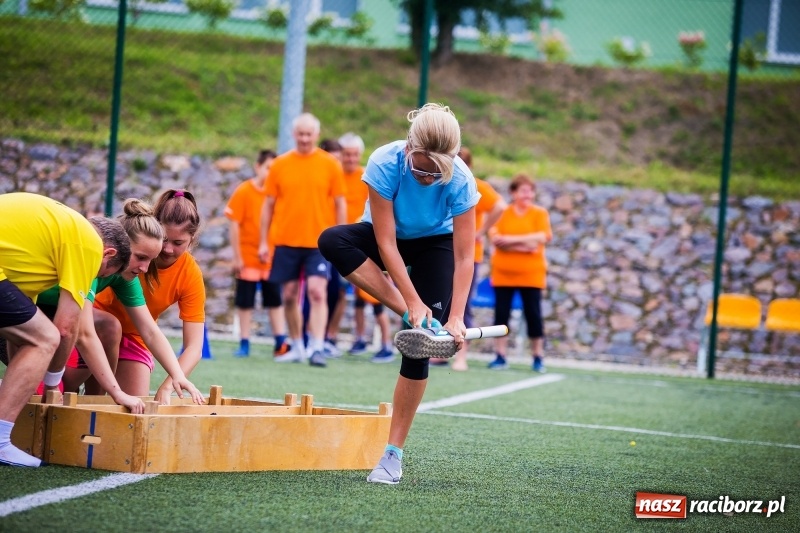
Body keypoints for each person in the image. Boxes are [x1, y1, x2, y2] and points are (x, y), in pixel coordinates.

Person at [318, 103, 479, 484]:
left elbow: (465, 254)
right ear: (408, 147)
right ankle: (413, 316)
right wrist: (411, 303)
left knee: (418, 346)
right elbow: (387, 243)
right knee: (332, 240)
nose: (425, 176)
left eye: (434, 171)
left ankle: (392, 455)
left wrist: (455, 316)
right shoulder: (384, 162)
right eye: (420, 167)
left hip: (434, 243)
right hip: (385, 234)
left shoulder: (461, 180)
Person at [0, 193, 129, 467]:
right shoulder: (90, 245)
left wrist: (20, 384)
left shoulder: (53, 239)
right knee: (45, 337)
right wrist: (51, 386)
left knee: (35, 336)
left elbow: (19, 333)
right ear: (109, 254)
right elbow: (66, 329)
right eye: (100, 275)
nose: (94, 279)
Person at [58, 198, 204, 405]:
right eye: (164, 240)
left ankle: (91, 407)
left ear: (192, 240)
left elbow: (155, 333)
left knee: (136, 410)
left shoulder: (137, 273)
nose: (167, 249)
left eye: (178, 243)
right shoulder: (109, 259)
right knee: (106, 329)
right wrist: (115, 391)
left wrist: (173, 380)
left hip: (131, 336)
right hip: (89, 323)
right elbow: (84, 333)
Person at [258, 113, 346, 368]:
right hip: (286, 240)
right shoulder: (280, 165)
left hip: (319, 243)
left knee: (317, 292)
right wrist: (264, 242)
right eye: (301, 134)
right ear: (293, 134)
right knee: (288, 295)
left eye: (309, 134)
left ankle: (317, 347)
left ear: (316, 135)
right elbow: (268, 205)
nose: (305, 138)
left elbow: (340, 202)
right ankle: (297, 345)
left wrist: (340, 237)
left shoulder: (330, 164)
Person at [430, 146, 506, 370]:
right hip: (443, 253)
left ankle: (462, 355)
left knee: (463, 306)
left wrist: (480, 233)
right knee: (441, 303)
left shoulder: (475, 185)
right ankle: (441, 351)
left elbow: (500, 206)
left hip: (468, 256)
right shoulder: (441, 184)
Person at [225, 149, 288, 358]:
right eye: (268, 168)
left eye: (274, 169)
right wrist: (237, 257)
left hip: (270, 259)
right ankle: (244, 341)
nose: (270, 173)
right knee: (245, 301)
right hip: (248, 257)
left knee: (275, 300)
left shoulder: (277, 195)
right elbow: (234, 224)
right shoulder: (244, 191)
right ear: (257, 167)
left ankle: (280, 341)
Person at [487, 174, 552, 372]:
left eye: (530, 190)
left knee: (534, 315)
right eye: (523, 190)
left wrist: (512, 241)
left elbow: (542, 237)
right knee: (501, 315)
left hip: (531, 275)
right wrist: (526, 244)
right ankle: (500, 355)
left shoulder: (539, 213)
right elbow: (497, 239)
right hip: (503, 274)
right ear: (513, 193)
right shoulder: (503, 212)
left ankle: (538, 356)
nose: (528, 194)